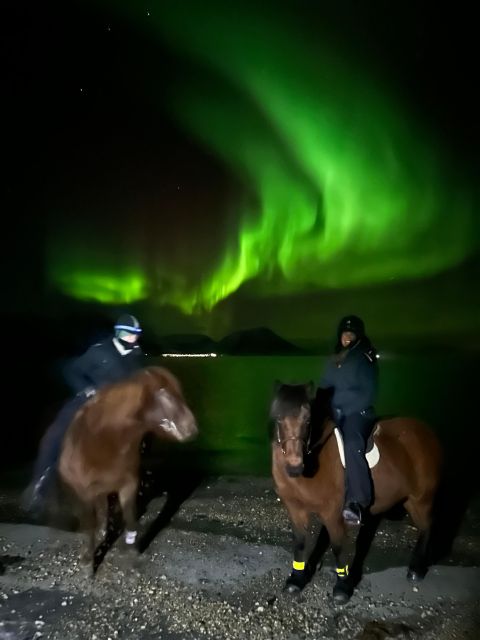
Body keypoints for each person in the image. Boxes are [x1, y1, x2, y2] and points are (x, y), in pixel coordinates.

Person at [23, 313, 145, 514]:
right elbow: (72, 371)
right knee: (55, 433)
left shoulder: (135, 355)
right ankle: (39, 484)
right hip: (91, 399)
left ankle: (133, 479)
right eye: (132, 334)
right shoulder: (99, 352)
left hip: (118, 406)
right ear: (121, 333)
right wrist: (87, 389)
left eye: (137, 334)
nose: (135, 338)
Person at [319, 315, 378, 525]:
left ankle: (357, 501)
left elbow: (367, 392)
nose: (347, 337)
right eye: (345, 333)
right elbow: (324, 386)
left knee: (352, 444)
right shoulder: (335, 358)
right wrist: (317, 404)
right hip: (335, 412)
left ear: (358, 336)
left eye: (351, 333)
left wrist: (341, 409)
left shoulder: (365, 357)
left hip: (357, 413)